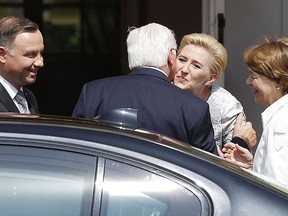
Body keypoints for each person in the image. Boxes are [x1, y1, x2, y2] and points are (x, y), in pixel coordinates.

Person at [72, 23, 217, 154]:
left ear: (131, 60)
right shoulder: (195, 108)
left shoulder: (93, 91)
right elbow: (208, 168)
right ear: (171, 57)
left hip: (102, 180)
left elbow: (74, 146)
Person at [220, 36, 288, 186]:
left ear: (280, 81)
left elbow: (278, 189)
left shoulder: (281, 122)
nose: (248, 81)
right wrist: (252, 164)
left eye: (254, 76)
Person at [173, 33, 255, 149]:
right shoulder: (160, 90)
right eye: (182, 60)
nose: (184, 69)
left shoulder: (227, 106)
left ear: (211, 79)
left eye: (196, 66)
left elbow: (236, 159)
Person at [0, 16, 44, 114]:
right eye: (30, 55)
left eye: (41, 53)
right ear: (2, 55)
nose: (40, 62)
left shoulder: (29, 97)